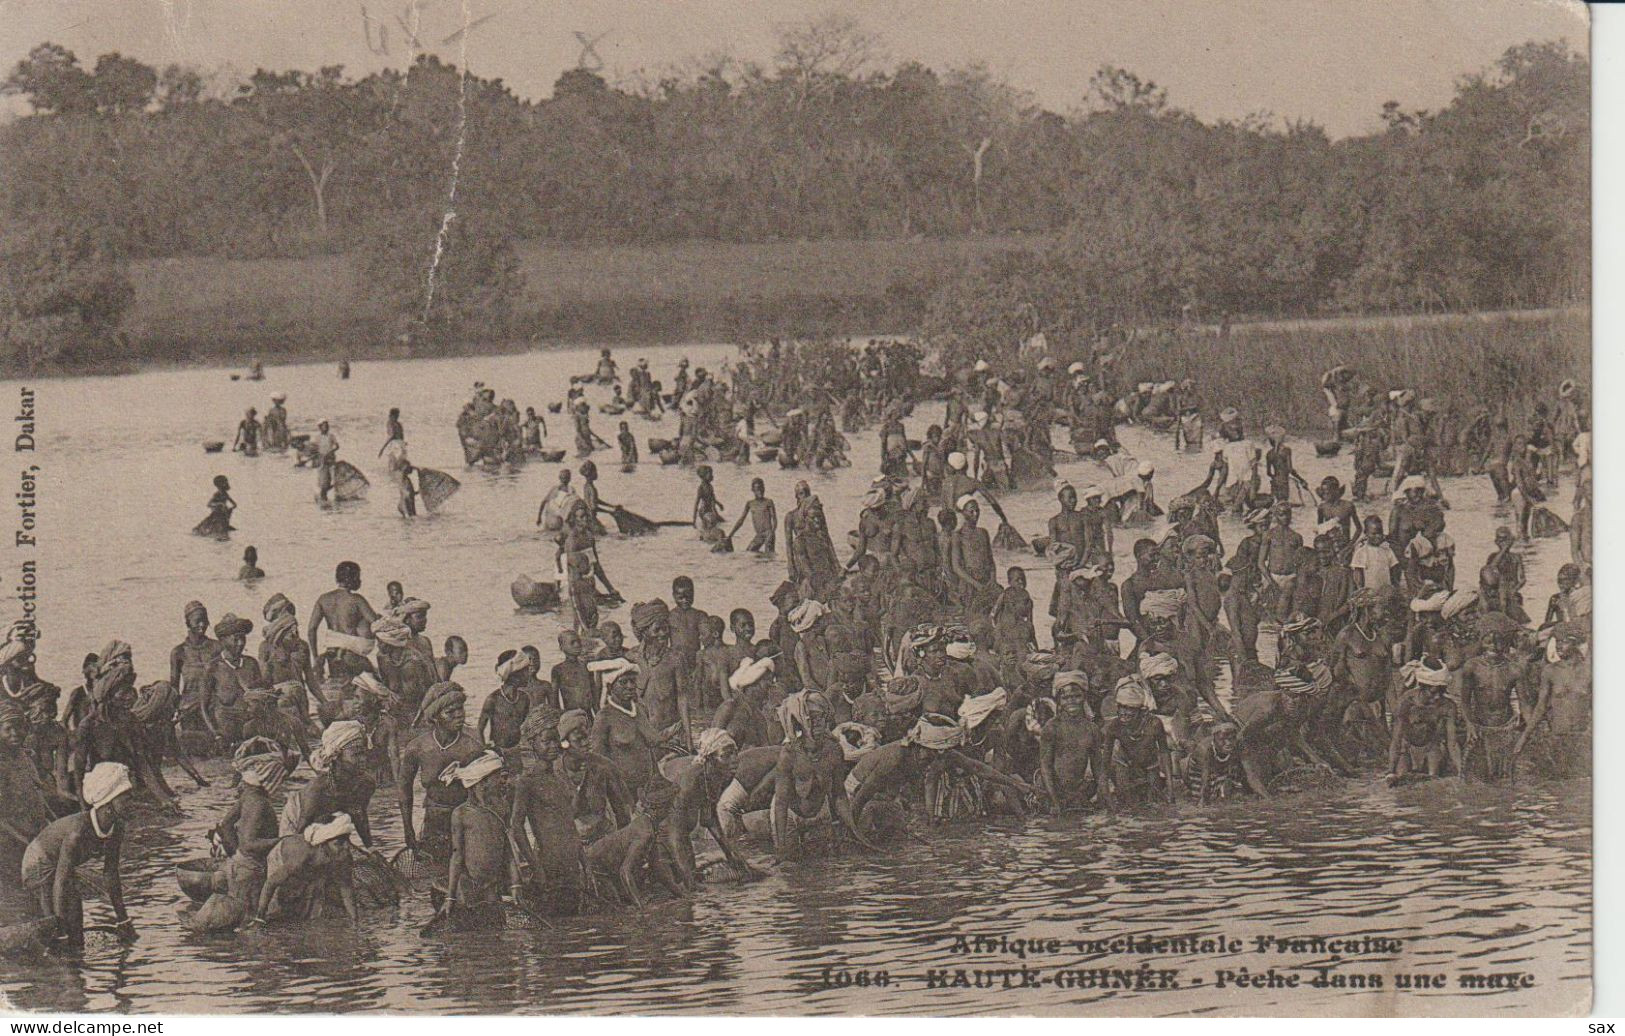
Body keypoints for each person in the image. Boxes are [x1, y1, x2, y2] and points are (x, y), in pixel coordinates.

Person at [22, 762, 135, 950]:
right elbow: (60, 882)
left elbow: (111, 874)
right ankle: (58, 944)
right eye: (125, 799)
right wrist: (60, 930)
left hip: (60, 865)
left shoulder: (117, 828)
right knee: (57, 924)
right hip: (37, 865)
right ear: (107, 805)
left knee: (76, 923)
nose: (131, 803)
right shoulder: (78, 834)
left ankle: (73, 953)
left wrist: (123, 919)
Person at [397, 684, 484, 863]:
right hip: (433, 823)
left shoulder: (472, 748)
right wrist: (408, 829)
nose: (459, 715)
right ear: (435, 717)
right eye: (450, 712)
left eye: (460, 709)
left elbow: (486, 794)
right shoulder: (417, 748)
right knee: (435, 874)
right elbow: (404, 789)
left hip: (466, 822)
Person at [437, 752, 515, 919]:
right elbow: (457, 856)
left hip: (492, 885)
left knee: (495, 924)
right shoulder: (461, 814)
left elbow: (508, 851)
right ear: (483, 782)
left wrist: (516, 885)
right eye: (498, 777)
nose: (503, 781)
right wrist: (450, 897)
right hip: (468, 886)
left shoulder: (502, 808)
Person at [308, 561, 379, 680]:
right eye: (358, 577)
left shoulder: (323, 599)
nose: (360, 581)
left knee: (339, 684)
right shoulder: (356, 600)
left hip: (331, 655)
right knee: (373, 683)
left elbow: (311, 629)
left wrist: (315, 658)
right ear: (353, 578)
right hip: (353, 655)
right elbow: (376, 624)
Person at [480, 651, 533, 758]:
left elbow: (525, 726)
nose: (529, 674)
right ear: (514, 674)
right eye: (526, 671)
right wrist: (485, 749)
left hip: (518, 749)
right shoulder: (493, 699)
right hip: (498, 751)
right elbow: (480, 729)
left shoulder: (524, 698)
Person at [728, 478, 778, 554]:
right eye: (757, 489)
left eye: (762, 488)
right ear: (753, 490)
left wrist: (772, 532)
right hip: (759, 535)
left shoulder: (768, 502)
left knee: (769, 556)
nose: (760, 491)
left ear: (764, 488)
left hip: (768, 533)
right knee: (749, 552)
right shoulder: (750, 503)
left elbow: (774, 519)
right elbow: (741, 520)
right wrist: (730, 535)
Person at [314, 419, 341, 503]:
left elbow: (337, 446)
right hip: (322, 460)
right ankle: (323, 495)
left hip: (330, 459)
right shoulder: (317, 437)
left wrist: (331, 452)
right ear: (320, 428)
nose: (326, 428)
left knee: (332, 478)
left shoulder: (331, 436)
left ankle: (327, 495)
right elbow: (315, 449)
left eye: (327, 426)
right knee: (323, 480)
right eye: (324, 426)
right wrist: (317, 458)